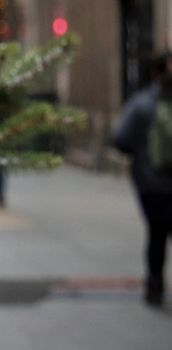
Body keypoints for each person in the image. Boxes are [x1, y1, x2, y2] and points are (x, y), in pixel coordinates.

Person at [113, 53, 172, 307]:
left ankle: (154, 285)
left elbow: (120, 139)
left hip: (152, 184)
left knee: (157, 235)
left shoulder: (141, 104)